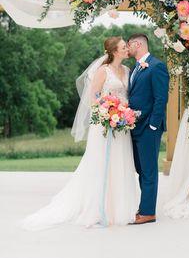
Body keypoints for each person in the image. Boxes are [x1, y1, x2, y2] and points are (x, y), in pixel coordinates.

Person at [19, 36, 139, 230]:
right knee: (102, 164)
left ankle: (121, 207)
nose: (127, 49)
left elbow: (127, 97)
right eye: (124, 47)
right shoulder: (103, 71)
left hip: (123, 125)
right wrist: (107, 113)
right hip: (105, 124)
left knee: (121, 163)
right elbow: (93, 98)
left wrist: (123, 115)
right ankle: (100, 208)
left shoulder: (126, 70)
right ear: (114, 51)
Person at [127, 33, 169, 225]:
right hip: (135, 126)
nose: (127, 49)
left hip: (149, 128)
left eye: (129, 45)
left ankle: (147, 212)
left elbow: (161, 98)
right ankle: (144, 207)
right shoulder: (135, 68)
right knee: (141, 169)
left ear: (137, 44)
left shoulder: (156, 66)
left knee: (149, 171)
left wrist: (153, 124)